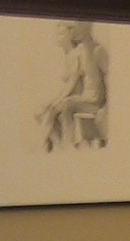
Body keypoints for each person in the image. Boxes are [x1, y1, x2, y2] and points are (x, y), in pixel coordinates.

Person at [36, 21, 110, 152]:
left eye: (78, 28)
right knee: (51, 109)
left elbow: (110, 80)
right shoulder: (80, 52)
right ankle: (54, 144)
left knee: (64, 106)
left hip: (94, 99)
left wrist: (107, 106)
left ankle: (65, 144)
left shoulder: (98, 50)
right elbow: (73, 81)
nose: (76, 32)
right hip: (83, 97)